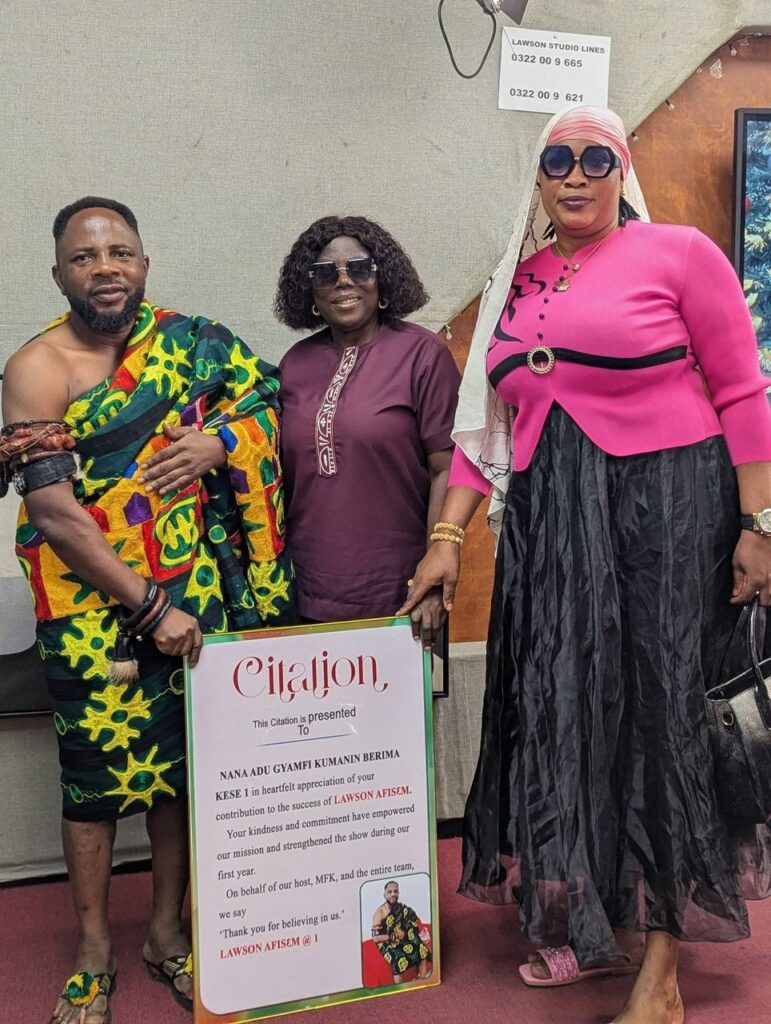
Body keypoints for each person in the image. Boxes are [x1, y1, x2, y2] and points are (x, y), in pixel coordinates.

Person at [398, 106, 771, 1024]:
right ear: (537, 177)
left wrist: (759, 525)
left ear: (620, 169)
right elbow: (489, 430)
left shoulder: (679, 253)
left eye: (594, 159)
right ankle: (610, 930)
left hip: (665, 515)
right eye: (556, 159)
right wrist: (446, 539)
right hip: (553, 526)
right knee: (570, 715)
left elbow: (741, 389)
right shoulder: (519, 280)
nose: (574, 174)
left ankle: (663, 972)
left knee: (660, 716)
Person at [0, 196, 293, 1024]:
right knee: (92, 785)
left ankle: (167, 932)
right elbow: (55, 514)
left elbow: (267, 399)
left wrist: (220, 443)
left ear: (143, 265)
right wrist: (151, 605)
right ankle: (94, 950)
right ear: (58, 274)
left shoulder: (191, 343)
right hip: (90, 612)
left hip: (194, 594)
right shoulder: (37, 366)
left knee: (180, 773)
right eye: (85, 257)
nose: (105, 269)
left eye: (119, 253)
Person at [274, 216, 460, 641]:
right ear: (310, 291)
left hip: (402, 594)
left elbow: (448, 469)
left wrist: (434, 571)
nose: (344, 282)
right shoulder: (295, 364)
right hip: (304, 591)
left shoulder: (422, 355)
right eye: (325, 273)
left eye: (359, 269)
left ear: (382, 279)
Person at [371, 880, 432, 983]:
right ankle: (401, 988)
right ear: (384, 895)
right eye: (389, 892)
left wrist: (413, 931)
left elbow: (412, 917)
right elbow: (375, 938)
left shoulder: (401, 907)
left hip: (402, 938)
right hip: (387, 942)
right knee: (397, 961)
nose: (393, 894)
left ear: (398, 893)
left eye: (395, 891)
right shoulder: (379, 913)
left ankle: (422, 979)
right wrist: (392, 937)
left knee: (421, 948)